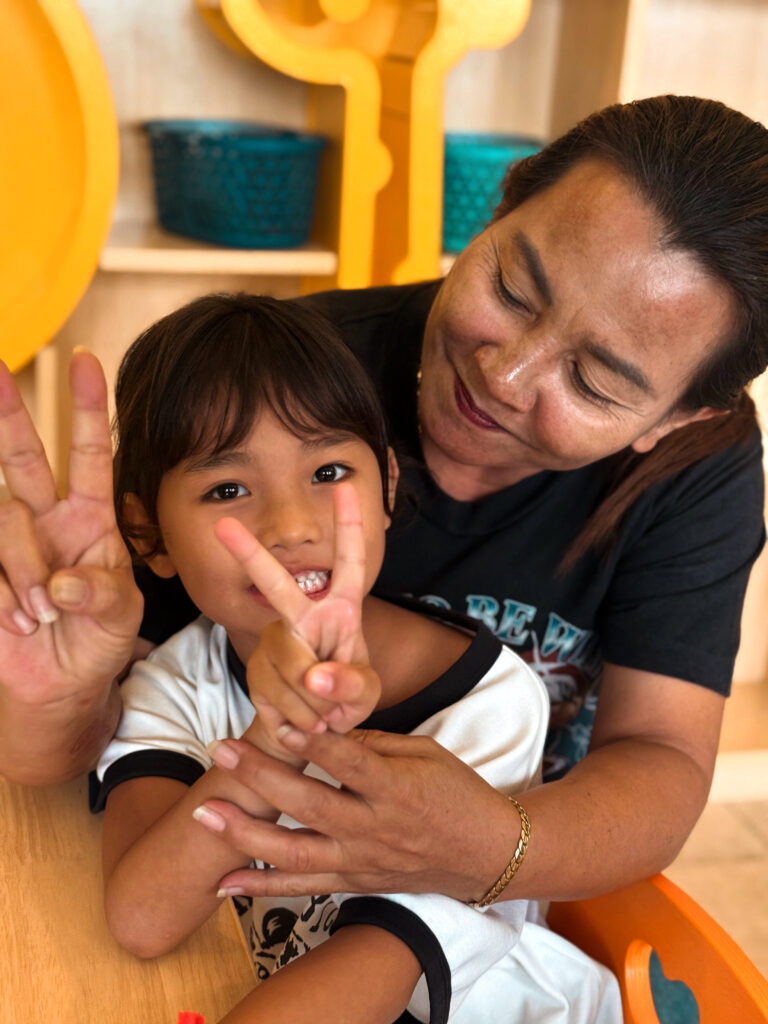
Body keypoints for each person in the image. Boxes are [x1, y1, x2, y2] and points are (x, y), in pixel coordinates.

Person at [0, 94, 766, 909]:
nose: (503, 377)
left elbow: (659, 756)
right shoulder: (278, 399)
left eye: (593, 381)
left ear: (680, 417)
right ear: (500, 203)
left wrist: (489, 851)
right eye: (511, 287)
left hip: (490, 912)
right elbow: (84, 762)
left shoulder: (698, 471)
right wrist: (62, 696)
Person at [93, 292, 620, 1024]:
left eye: (329, 472)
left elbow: (371, 971)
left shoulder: (490, 704)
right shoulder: (178, 684)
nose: (290, 524)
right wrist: (275, 734)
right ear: (148, 537)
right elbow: (144, 918)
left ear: (386, 492)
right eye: (228, 488)